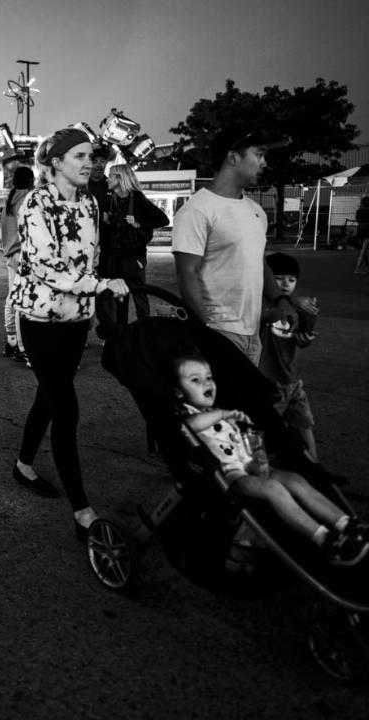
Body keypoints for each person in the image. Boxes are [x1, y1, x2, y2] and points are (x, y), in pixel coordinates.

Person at [8, 128, 130, 540]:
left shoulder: (92, 204)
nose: (88, 162)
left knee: (49, 394)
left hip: (76, 320)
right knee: (66, 407)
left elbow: (91, 259)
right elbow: (46, 267)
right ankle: (82, 511)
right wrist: (99, 286)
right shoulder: (35, 203)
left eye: (91, 155)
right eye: (78, 155)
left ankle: (23, 464)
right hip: (40, 320)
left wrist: (97, 300)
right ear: (56, 162)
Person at [173, 351, 367, 566]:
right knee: (275, 489)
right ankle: (324, 539)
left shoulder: (220, 411)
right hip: (232, 476)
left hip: (250, 467)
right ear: (179, 392)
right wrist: (223, 415)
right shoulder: (189, 416)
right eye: (195, 380)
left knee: (295, 480)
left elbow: (242, 444)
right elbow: (189, 426)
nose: (206, 383)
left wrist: (255, 457)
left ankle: (346, 523)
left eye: (209, 377)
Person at [172, 124, 295, 365]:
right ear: (233, 157)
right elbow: (187, 274)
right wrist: (208, 329)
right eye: (259, 154)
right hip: (219, 332)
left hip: (253, 332)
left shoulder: (256, 210)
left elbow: (260, 264)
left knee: (245, 402)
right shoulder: (197, 210)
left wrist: (282, 300)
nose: (264, 163)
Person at [95, 164, 169, 338]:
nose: (108, 179)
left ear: (121, 179)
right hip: (116, 257)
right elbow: (118, 228)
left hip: (133, 257)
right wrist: (109, 221)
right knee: (120, 297)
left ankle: (145, 334)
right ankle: (122, 335)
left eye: (112, 176)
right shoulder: (112, 198)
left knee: (140, 296)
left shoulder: (137, 198)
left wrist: (138, 223)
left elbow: (162, 219)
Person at [259, 252, 320, 461]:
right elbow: (269, 313)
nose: (285, 283)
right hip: (269, 383)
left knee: (304, 424)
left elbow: (302, 339)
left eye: (292, 280)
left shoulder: (299, 310)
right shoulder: (263, 305)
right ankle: (263, 467)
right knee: (264, 429)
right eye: (279, 278)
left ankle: (315, 467)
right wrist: (293, 301)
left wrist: (306, 338)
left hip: (293, 381)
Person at [1, 165, 34, 363]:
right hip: (24, 254)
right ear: (30, 180)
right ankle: (23, 347)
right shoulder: (29, 199)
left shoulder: (9, 201)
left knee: (12, 298)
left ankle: (11, 341)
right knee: (24, 302)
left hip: (10, 255)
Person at [86, 144, 110, 210]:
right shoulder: (79, 184)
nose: (99, 165)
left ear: (106, 163)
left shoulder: (111, 185)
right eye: (95, 161)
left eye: (102, 161)